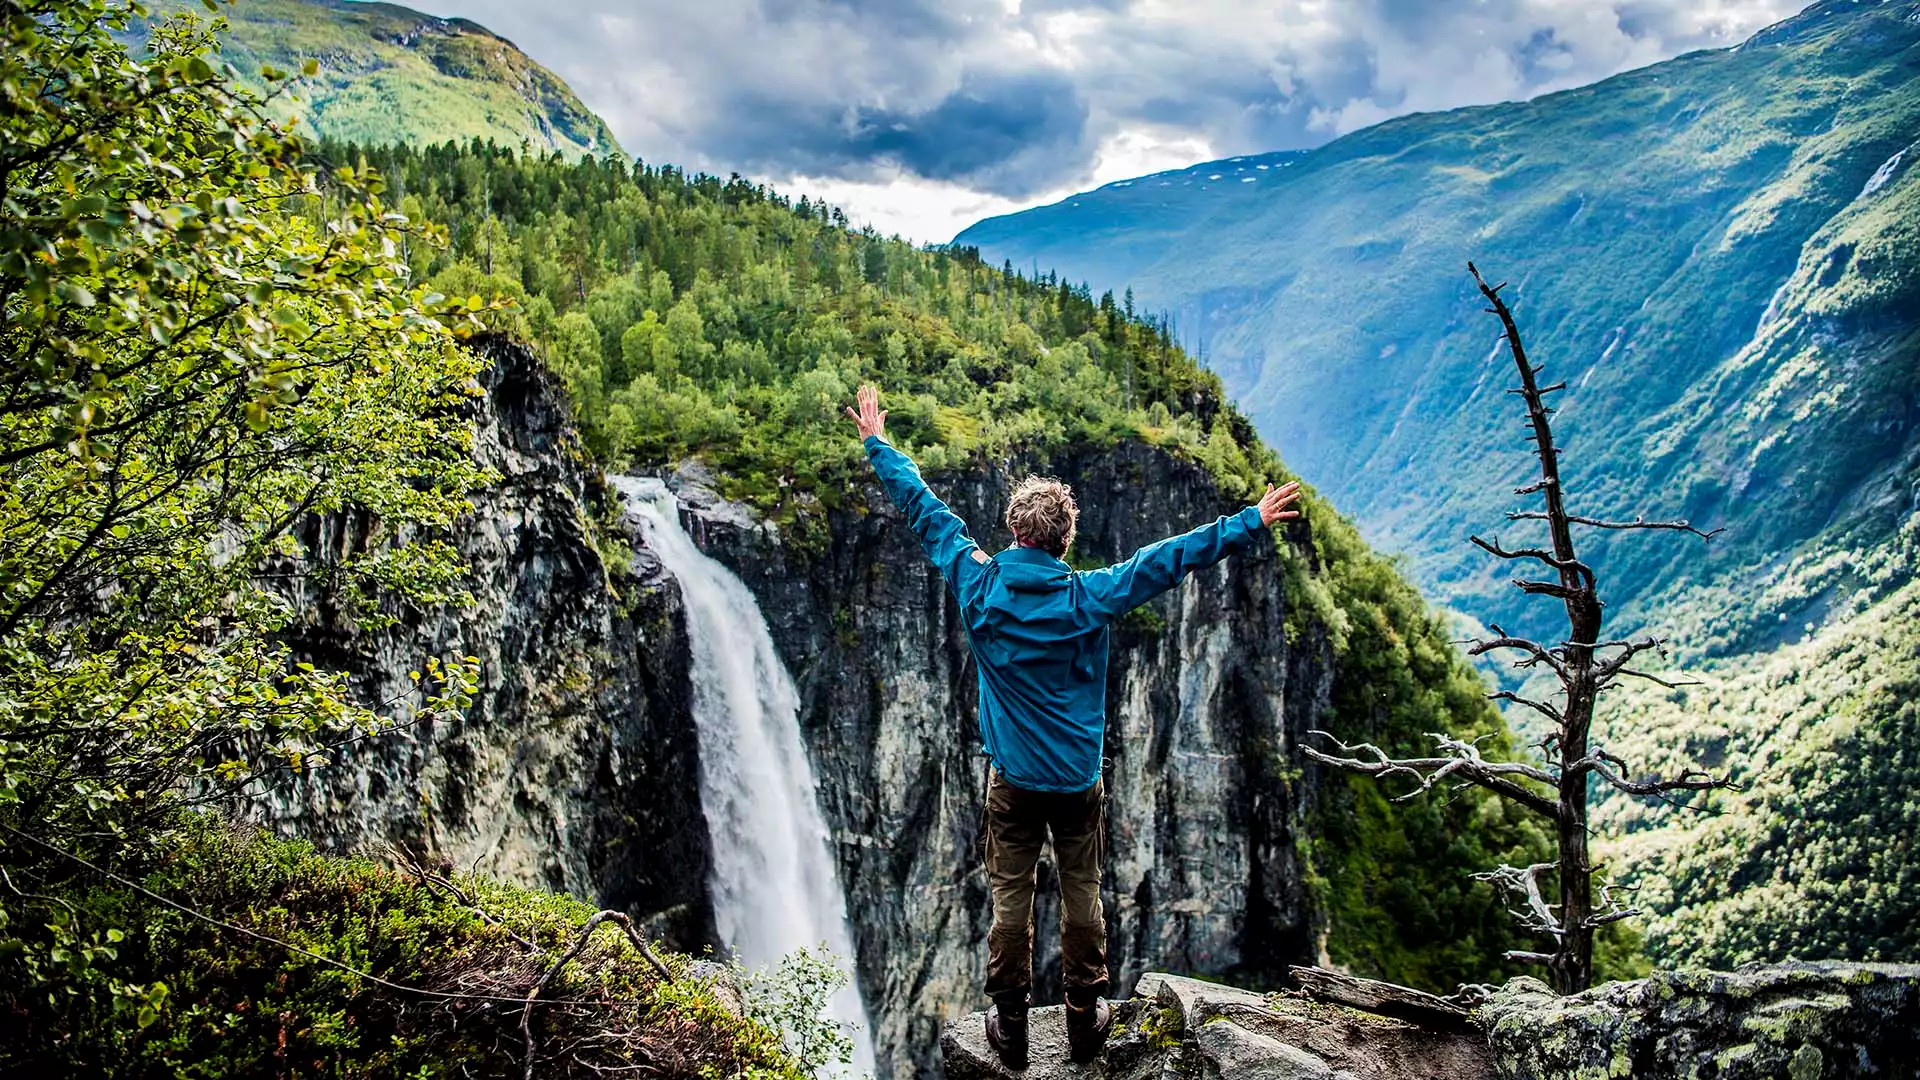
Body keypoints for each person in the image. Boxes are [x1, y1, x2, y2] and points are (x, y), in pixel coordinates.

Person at [846, 384, 1302, 1068]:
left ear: (1012, 532)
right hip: (1077, 783)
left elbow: (926, 510)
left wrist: (878, 444)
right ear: (1066, 539)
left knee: (1010, 899)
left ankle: (1011, 1025)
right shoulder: (1089, 595)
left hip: (1014, 784)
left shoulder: (978, 584)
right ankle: (1087, 1017)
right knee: (1083, 895)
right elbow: (1168, 559)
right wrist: (1249, 520)